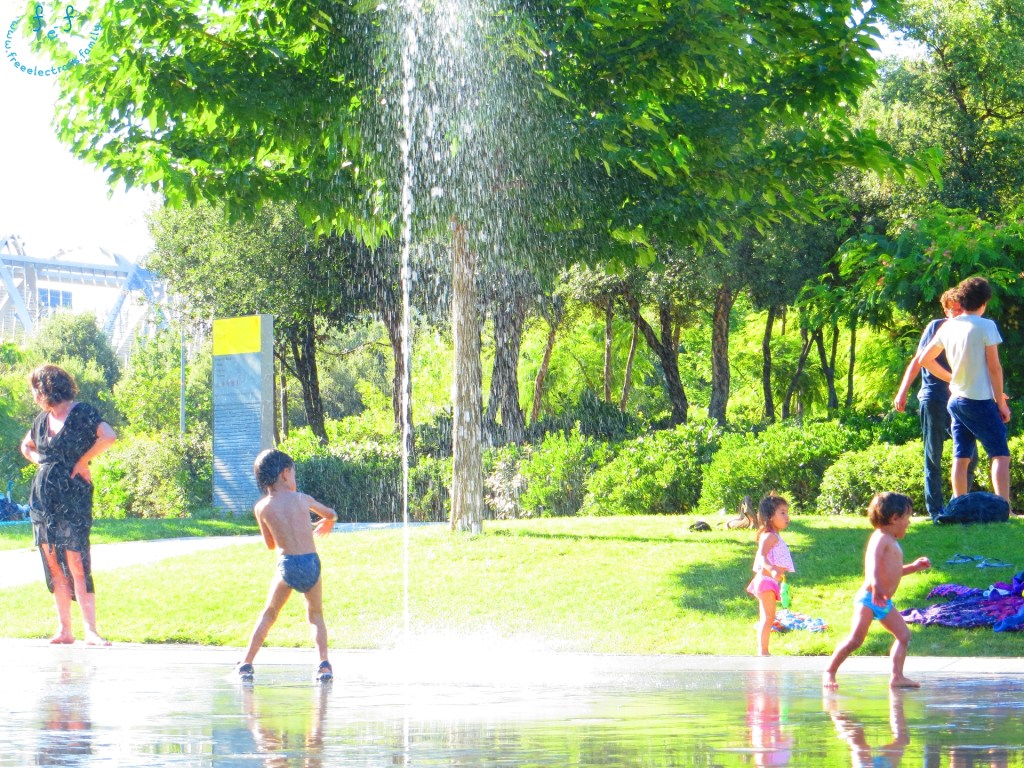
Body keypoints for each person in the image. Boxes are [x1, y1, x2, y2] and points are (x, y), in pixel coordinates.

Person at [20, 364, 117, 646]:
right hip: (42, 498)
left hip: (73, 494)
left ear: (46, 388)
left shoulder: (82, 412)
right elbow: (27, 446)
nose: (34, 396)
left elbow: (108, 435)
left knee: (76, 558)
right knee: (52, 562)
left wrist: (83, 460)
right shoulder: (41, 420)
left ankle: (92, 631)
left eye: (35, 390)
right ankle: (65, 630)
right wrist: (41, 461)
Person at [237, 448, 338, 683]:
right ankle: (324, 665)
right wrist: (328, 522)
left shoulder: (262, 508)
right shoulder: (303, 499)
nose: (294, 478)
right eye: (293, 473)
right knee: (315, 615)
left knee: (270, 613)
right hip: (311, 562)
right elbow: (331, 513)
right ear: (284, 474)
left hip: (288, 565)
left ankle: (246, 664)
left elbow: (270, 545)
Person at [823, 492, 931, 690]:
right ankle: (829, 671)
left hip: (883, 601)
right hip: (869, 598)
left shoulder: (892, 541)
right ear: (894, 518)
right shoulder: (880, 538)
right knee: (855, 640)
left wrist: (914, 567)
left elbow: (894, 572)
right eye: (907, 517)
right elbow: (872, 564)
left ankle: (897, 676)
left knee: (904, 636)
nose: (909, 522)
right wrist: (875, 586)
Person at [919, 276, 1011, 502]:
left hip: (956, 400)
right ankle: (1004, 507)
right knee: (1000, 454)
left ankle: (959, 506)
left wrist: (952, 379)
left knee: (961, 457)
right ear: (984, 302)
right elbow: (995, 368)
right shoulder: (986, 325)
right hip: (979, 400)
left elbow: (924, 359)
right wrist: (1001, 402)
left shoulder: (949, 326)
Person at [893, 289, 976, 520]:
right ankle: (936, 511)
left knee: (970, 454)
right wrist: (902, 391)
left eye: (962, 309)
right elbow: (919, 360)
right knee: (934, 455)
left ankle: (955, 507)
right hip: (934, 398)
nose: (958, 313)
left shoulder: (971, 330)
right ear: (946, 310)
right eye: (954, 309)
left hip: (960, 398)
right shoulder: (936, 326)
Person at [745, 494, 794, 656]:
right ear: (770, 516)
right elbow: (762, 556)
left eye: (787, 512)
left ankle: (763, 650)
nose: (787, 516)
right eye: (782, 513)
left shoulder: (774, 536)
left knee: (768, 617)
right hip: (765, 580)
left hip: (769, 581)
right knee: (768, 617)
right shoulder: (769, 536)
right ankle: (763, 650)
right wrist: (772, 569)